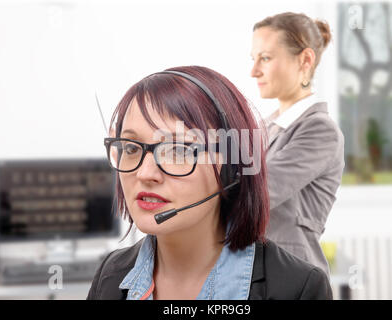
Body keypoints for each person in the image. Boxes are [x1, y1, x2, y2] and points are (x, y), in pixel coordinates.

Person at [87, 65, 332, 300]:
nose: (144, 173)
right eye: (131, 147)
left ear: (231, 167)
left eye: (178, 150)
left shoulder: (298, 288)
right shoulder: (110, 275)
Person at [250, 12, 345, 277]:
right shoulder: (264, 127)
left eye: (265, 58)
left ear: (305, 60)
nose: (254, 71)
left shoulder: (319, 130)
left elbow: (258, 193)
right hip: (255, 270)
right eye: (253, 59)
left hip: (291, 275)